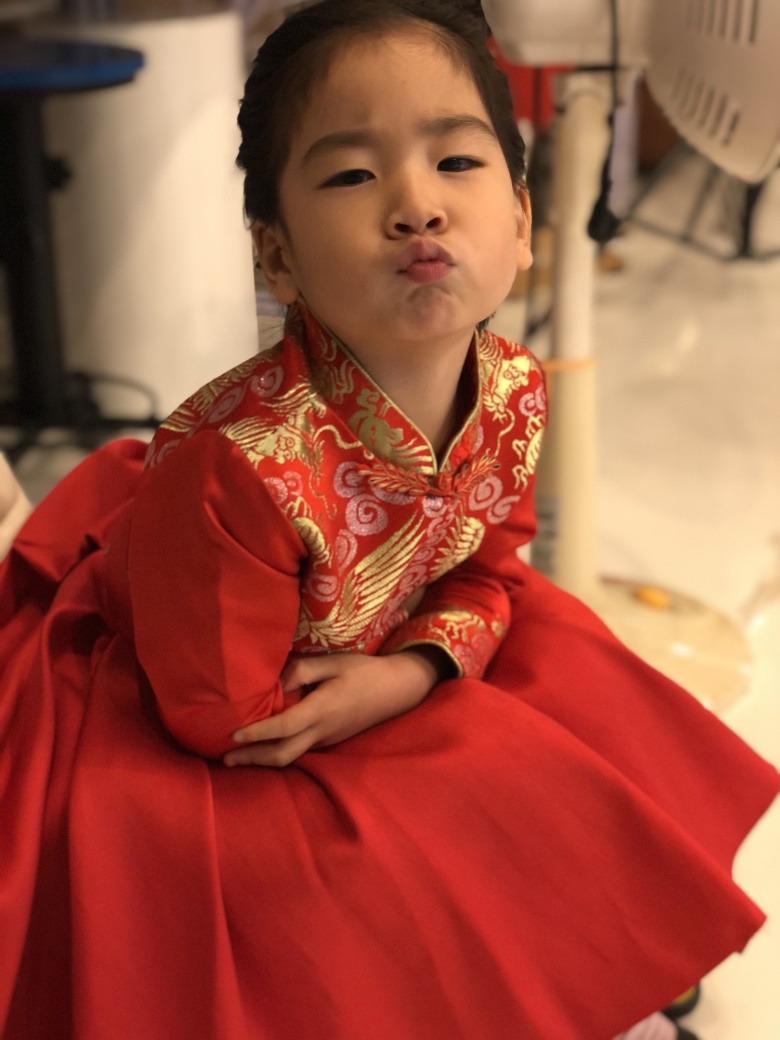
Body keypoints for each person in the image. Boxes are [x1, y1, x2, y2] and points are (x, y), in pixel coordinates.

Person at [0, 2, 777, 1037]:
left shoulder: (513, 389)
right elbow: (222, 718)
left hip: (385, 643)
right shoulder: (244, 468)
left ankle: (620, 937)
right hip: (230, 713)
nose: (417, 205)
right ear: (276, 257)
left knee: (586, 682)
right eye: (352, 175)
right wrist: (392, 687)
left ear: (523, 221)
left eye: (456, 161)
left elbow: (493, 568)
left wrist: (415, 668)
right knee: (436, 813)